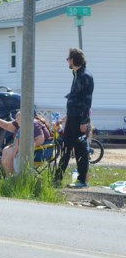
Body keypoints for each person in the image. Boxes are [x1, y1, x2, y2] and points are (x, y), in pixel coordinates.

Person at [55, 48, 94, 188]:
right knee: (66, 147)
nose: (67, 61)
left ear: (73, 59)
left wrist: (84, 122)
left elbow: (86, 101)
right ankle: (57, 179)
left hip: (79, 119)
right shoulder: (76, 74)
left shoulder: (85, 76)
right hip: (72, 117)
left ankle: (82, 180)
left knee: (80, 149)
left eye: (68, 58)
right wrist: (66, 118)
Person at [0, 110, 49, 175]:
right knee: (6, 149)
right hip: (29, 147)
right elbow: (9, 127)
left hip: (40, 151)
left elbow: (40, 140)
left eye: (18, 119)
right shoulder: (21, 124)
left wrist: (20, 147)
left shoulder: (33, 124)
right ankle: (9, 176)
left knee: (11, 153)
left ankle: (13, 176)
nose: (16, 121)